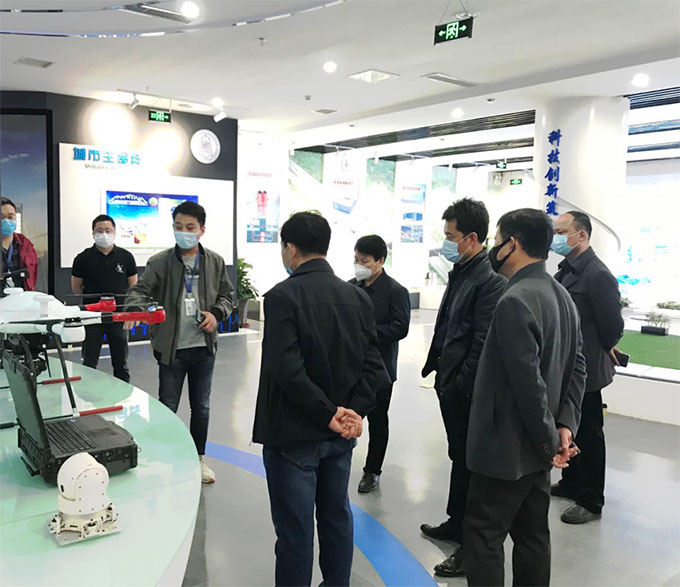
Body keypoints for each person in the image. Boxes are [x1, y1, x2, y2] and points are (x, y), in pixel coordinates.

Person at [252, 211, 388, 587]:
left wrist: (328, 414)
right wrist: (352, 412)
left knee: (295, 533)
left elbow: (287, 370)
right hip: (340, 436)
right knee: (336, 520)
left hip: (294, 435)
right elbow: (374, 367)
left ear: (291, 249)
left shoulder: (281, 297)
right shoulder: (357, 297)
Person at [463, 208, 587, 586]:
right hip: (538, 449)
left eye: (497, 241)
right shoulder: (561, 295)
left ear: (512, 244)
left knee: (483, 535)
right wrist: (564, 427)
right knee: (532, 535)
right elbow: (578, 367)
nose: (493, 248)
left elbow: (527, 385)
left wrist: (551, 442)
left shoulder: (515, 299)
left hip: (505, 449)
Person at [420, 199, 506, 577]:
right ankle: (456, 522)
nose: (446, 242)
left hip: (465, 391)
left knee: (472, 466)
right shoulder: (462, 272)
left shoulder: (489, 281)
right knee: (460, 457)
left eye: (450, 236)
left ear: (471, 238)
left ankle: (470, 544)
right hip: (449, 384)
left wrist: (460, 386)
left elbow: (481, 343)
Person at [125, 201, 233, 484]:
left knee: (202, 407)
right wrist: (135, 310)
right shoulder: (160, 262)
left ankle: (198, 459)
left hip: (203, 347)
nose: (183, 232)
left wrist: (216, 314)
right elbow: (139, 291)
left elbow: (227, 296)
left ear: (202, 230)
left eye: (190, 227)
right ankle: (164, 458)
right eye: (178, 227)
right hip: (171, 349)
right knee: (167, 406)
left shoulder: (215, 261)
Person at [550, 211, 624, 524]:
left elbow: (612, 327)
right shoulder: (565, 270)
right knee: (570, 426)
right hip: (567, 367)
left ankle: (592, 499)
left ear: (581, 235)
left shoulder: (597, 275)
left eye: (561, 232)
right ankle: (572, 482)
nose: (555, 238)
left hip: (588, 370)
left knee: (590, 434)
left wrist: (603, 347)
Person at [349, 234, 410, 493]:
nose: (358, 265)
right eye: (356, 259)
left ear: (380, 261)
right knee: (348, 416)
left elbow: (400, 328)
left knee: (377, 420)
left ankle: (372, 470)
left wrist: (367, 331)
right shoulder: (351, 287)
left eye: (364, 261)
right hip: (351, 366)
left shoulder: (396, 291)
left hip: (380, 369)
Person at [71, 215, 138, 382]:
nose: (104, 234)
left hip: (118, 316)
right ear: (93, 233)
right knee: (89, 361)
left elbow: (133, 286)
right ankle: (87, 393)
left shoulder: (126, 257)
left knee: (121, 363)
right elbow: (77, 288)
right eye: (99, 231)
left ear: (114, 232)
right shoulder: (82, 258)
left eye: (108, 230)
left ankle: (123, 393)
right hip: (92, 316)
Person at [1, 197, 38, 290]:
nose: (6, 221)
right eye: (1, 217)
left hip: (20, 296)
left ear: (15, 219)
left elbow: (31, 277)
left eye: (10, 217)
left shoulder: (26, 246)